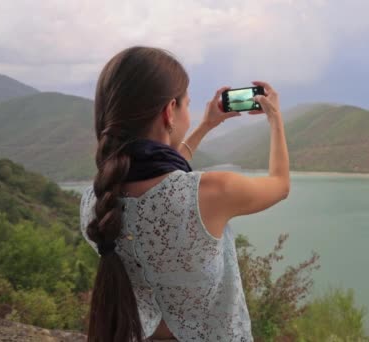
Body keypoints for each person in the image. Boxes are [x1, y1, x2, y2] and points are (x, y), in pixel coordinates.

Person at [79, 46, 290, 342]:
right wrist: (275, 118)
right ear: (169, 111)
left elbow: (154, 170)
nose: (190, 115)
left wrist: (206, 125)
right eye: (186, 106)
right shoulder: (212, 192)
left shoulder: (96, 202)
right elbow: (280, 184)